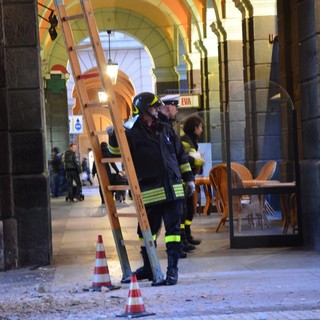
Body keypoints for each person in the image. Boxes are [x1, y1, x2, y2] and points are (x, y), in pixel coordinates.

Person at [107, 92, 195, 286]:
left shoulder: (166, 129)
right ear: (144, 109)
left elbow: (181, 156)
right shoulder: (131, 133)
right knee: (146, 233)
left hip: (173, 189)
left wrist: (189, 179)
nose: (158, 109)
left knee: (173, 231)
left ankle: (172, 271)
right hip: (149, 192)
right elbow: (115, 153)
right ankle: (148, 267)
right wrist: (113, 135)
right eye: (154, 107)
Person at [180, 115, 205, 246]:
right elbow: (184, 158)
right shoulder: (185, 141)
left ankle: (187, 235)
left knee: (189, 209)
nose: (201, 130)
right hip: (183, 180)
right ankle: (183, 239)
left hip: (189, 178)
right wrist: (197, 161)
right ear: (195, 128)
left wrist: (198, 164)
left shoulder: (192, 141)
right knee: (184, 210)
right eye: (200, 127)